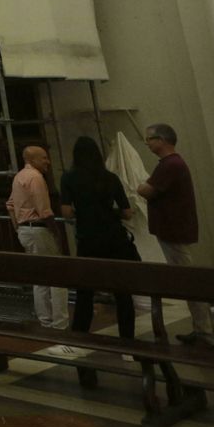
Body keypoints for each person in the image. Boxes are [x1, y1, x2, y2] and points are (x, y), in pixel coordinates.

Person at [138, 123, 214, 348]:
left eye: (150, 139)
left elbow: (147, 190)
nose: (147, 143)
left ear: (162, 139)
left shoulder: (171, 165)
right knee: (186, 278)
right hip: (173, 227)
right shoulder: (170, 164)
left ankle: (205, 332)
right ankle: (203, 328)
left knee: (187, 280)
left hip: (173, 229)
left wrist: (140, 186)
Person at [59, 136, 137, 346]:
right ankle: (127, 341)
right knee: (122, 292)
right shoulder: (110, 177)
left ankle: (80, 338)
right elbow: (127, 212)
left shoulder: (69, 177)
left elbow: (66, 212)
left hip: (88, 239)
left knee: (85, 291)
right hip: (114, 238)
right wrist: (109, 212)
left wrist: (83, 212)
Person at [7, 146, 72, 347]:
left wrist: (18, 227)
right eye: (44, 158)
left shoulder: (19, 176)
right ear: (32, 159)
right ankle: (60, 323)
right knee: (56, 275)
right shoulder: (35, 178)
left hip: (26, 230)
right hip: (38, 229)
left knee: (39, 277)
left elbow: (10, 204)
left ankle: (45, 320)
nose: (48, 162)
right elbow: (44, 211)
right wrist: (56, 231)